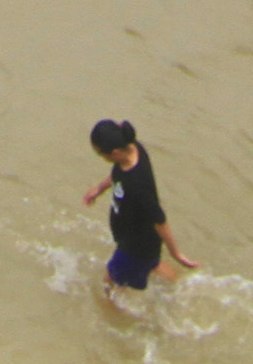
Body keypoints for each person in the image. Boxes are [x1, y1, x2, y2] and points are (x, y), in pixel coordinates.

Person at [83, 119, 194, 301]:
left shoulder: (138, 185)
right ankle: (178, 286)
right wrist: (99, 189)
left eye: (102, 155)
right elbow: (117, 173)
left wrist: (176, 253)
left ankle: (118, 318)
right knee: (152, 264)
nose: (103, 159)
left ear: (115, 152)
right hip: (135, 237)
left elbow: (159, 220)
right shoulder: (132, 149)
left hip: (135, 246)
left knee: (109, 285)